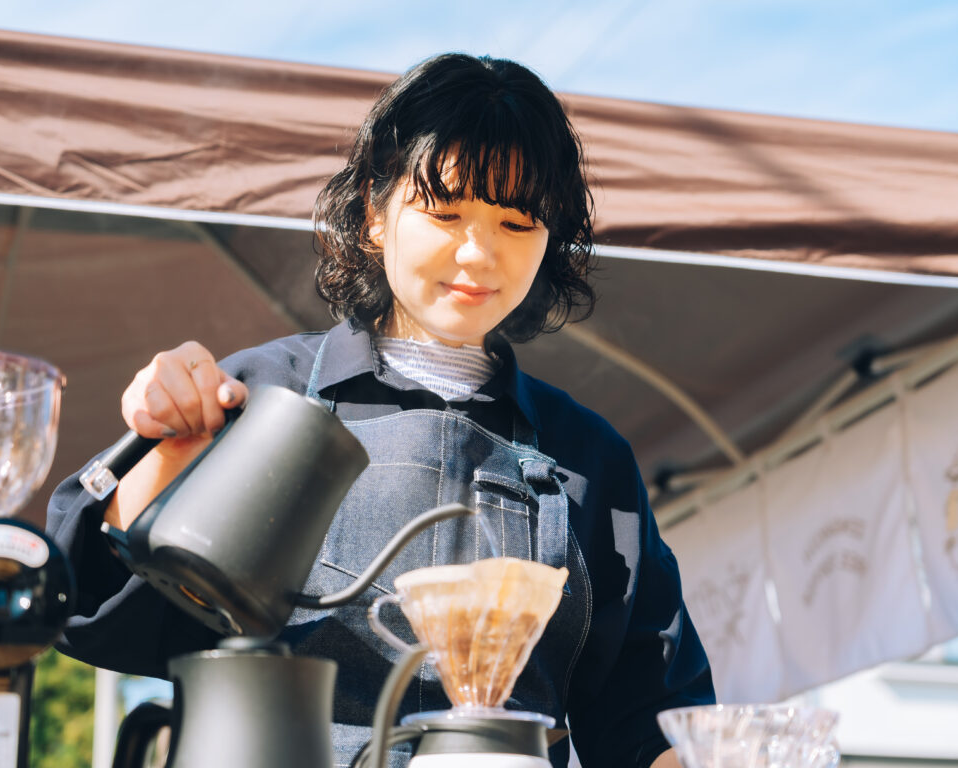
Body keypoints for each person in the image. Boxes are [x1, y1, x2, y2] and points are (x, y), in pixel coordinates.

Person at [47, 53, 714, 768]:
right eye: (446, 210)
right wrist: (166, 451)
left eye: (517, 223)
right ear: (373, 212)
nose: (478, 252)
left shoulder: (589, 457)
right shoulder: (256, 395)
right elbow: (90, 617)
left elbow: (652, 726)